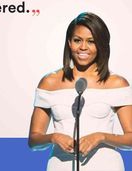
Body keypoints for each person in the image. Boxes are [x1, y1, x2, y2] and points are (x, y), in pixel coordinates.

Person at [28, 12, 132, 171]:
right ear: (69, 42)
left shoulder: (116, 83)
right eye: (77, 40)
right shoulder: (50, 82)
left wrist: (101, 136)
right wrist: (54, 137)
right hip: (60, 166)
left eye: (91, 41)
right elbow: (34, 140)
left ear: (101, 45)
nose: (83, 47)